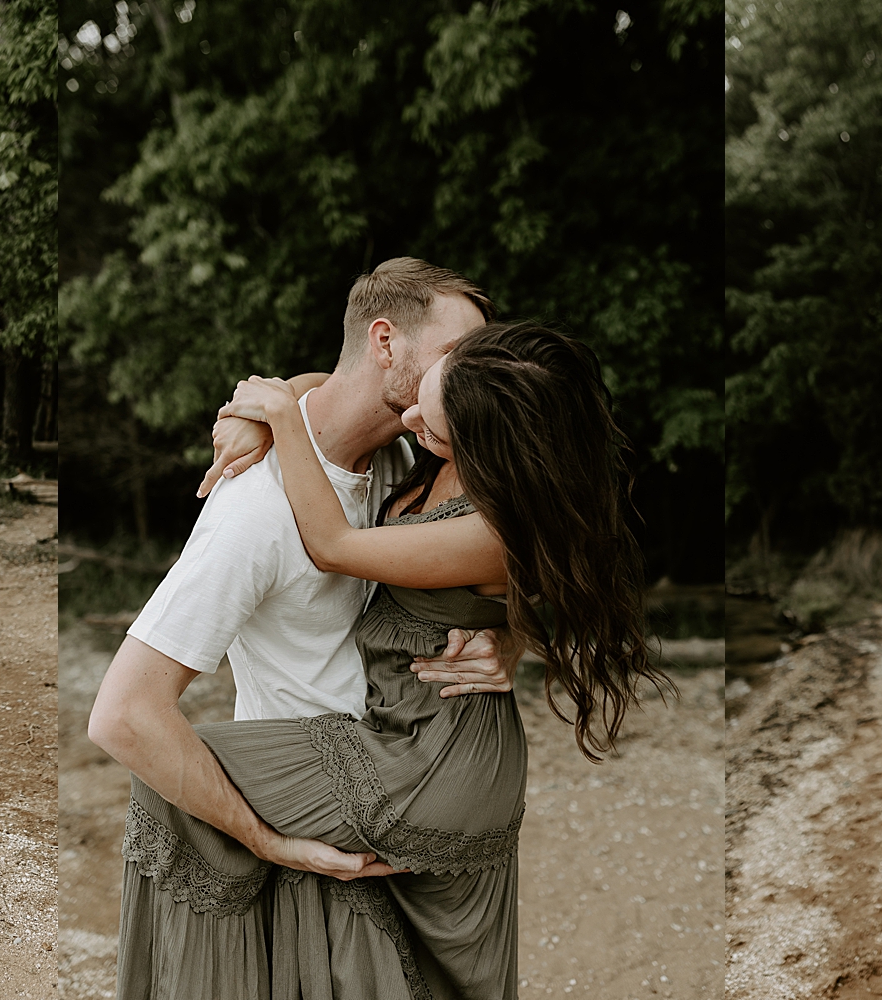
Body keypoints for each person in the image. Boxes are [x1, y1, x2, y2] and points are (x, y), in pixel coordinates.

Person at [96, 319, 667, 999]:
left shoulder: (490, 526)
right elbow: (347, 391)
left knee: (170, 781)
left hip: (435, 758)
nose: (414, 415)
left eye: (437, 418)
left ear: (490, 441)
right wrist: (275, 404)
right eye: (427, 391)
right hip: (415, 736)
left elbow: (333, 545)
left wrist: (279, 415)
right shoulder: (440, 447)